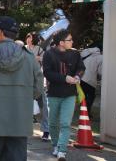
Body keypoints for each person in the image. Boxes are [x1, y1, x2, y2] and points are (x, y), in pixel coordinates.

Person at [0, 16, 43, 161]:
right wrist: (23, 98)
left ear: (0, 32)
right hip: (19, 120)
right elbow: (38, 88)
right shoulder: (29, 58)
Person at [43, 30, 85, 160]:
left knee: (66, 123)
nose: (72, 42)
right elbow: (47, 73)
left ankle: (62, 150)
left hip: (70, 94)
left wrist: (78, 76)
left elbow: (81, 67)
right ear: (61, 43)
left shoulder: (75, 53)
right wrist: (65, 78)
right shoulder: (49, 54)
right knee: (53, 123)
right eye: (69, 40)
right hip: (54, 93)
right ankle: (55, 145)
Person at [26, 32, 49, 141]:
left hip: (38, 80)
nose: (28, 39)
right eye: (27, 37)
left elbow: (46, 61)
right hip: (25, 81)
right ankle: (24, 129)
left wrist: (39, 58)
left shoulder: (39, 49)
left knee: (43, 105)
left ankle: (46, 130)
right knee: (24, 105)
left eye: (29, 37)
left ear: (33, 38)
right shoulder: (23, 48)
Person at [80, 45, 102, 119]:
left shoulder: (87, 54)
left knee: (83, 96)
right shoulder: (100, 58)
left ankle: (82, 111)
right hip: (91, 81)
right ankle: (87, 112)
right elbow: (100, 72)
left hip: (82, 78)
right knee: (91, 97)